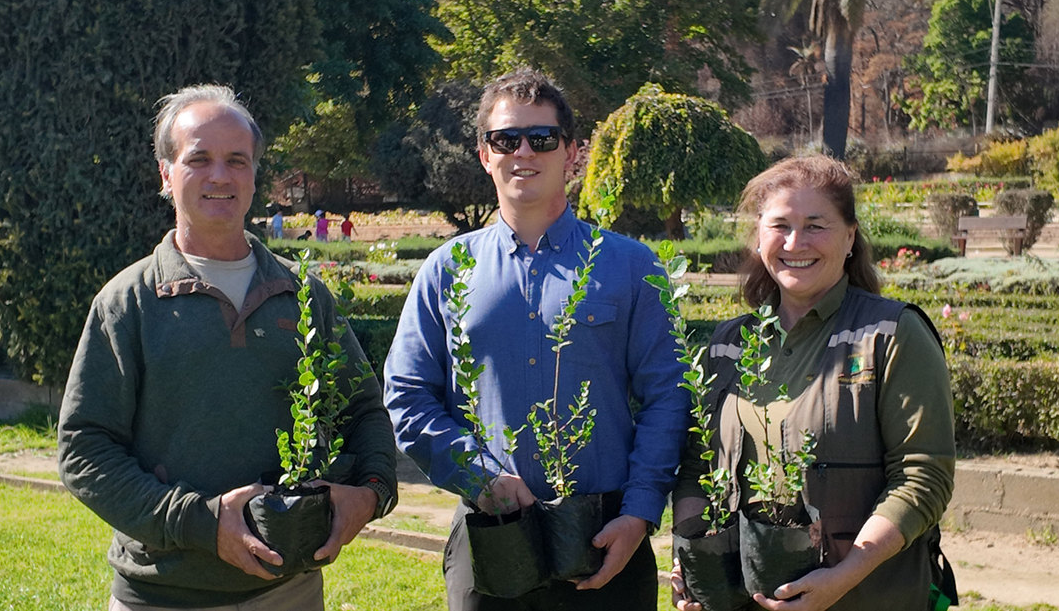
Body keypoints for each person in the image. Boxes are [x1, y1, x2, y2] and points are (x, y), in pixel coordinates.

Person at [57, 84, 397, 610]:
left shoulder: (303, 297)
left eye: (237, 160)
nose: (220, 176)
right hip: (161, 593)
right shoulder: (128, 303)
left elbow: (365, 411)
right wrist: (202, 523)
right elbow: (85, 450)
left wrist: (372, 492)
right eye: (199, 159)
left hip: (289, 592)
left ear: (255, 175)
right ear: (166, 175)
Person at [383, 69, 689, 611]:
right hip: (491, 532)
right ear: (484, 153)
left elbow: (669, 397)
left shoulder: (631, 266)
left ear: (571, 152)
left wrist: (639, 512)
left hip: (606, 536)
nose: (524, 151)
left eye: (542, 139)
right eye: (506, 139)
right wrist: (478, 476)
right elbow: (407, 394)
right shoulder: (446, 270)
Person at [670, 155, 955, 611]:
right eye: (780, 224)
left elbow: (923, 477)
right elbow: (695, 468)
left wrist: (843, 576)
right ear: (759, 236)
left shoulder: (892, 334)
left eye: (816, 225)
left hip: (864, 597)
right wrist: (694, 558)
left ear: (850, 237)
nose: (795, 242)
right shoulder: (728, 343)